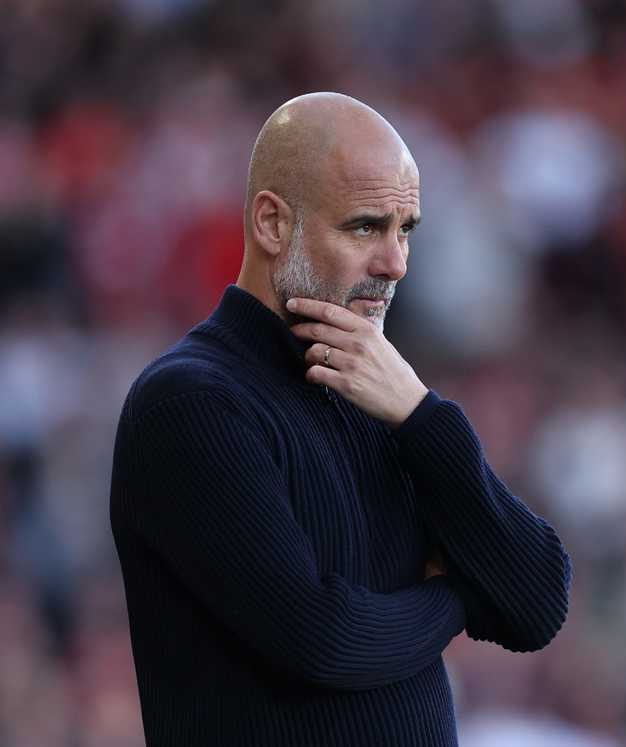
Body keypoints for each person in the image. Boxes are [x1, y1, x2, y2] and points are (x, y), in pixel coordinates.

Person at [109, 92, 571, 747]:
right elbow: (321, 639)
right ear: (272, 224)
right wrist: (456, 600)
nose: (396, 263)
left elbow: (536, 602)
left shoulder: (382, 394)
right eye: (364, 226)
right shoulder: (189, 402)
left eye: (405, 228)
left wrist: (422, 415)